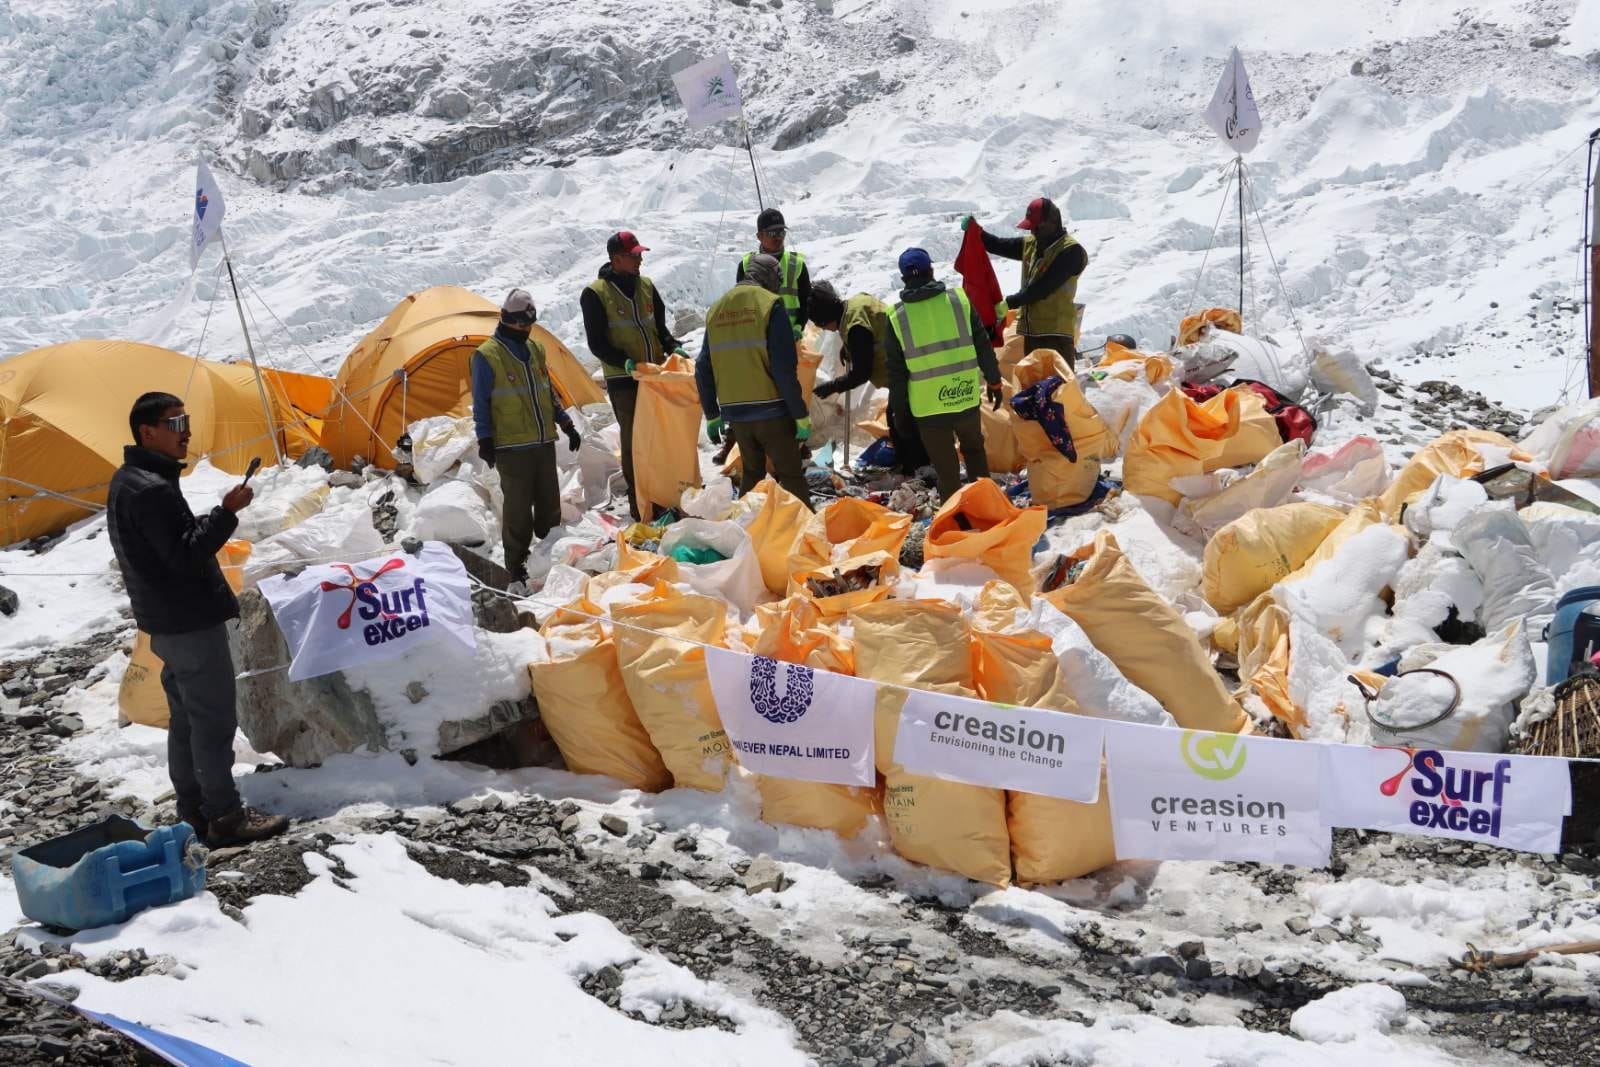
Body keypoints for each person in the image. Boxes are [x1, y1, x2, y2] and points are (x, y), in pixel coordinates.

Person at [106, 393, 289, 848]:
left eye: (185, 420)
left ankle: (194, 810)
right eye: (175, 422)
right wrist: (227, 514)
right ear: (147, 432)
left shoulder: (130, 479)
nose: (185, 430)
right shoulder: (151, 489)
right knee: (211, 722)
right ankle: (225, 816)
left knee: (187, 720)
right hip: (189, 620)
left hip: (166, 622)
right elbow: (185, 555)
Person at [471, 289, 582, 585]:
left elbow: (548, 392)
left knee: (549, 505)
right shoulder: (487, 355)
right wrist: (485, 439)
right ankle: (516, 565)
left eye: (529, 325)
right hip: (511, 447)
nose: (525, 330)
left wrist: (566, 423)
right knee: (518, 510)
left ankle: (548, 558)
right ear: (507, 319)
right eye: (521, 325)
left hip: (543, 441)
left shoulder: (535, 349)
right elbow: (480, 403)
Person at [580, 230, 686, 520]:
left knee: (661, 435)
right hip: (624, 380)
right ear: (616, 259)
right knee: (635, 439)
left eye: (640, 254)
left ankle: (664, 492)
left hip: (655, 376)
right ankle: (640, 501)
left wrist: (673, 347)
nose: (640, 259)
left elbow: (660, 330)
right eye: (634, 255)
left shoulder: (648, 287)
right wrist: (625, 363)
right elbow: (597, 343)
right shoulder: (596, 294)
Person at [883, 248, 1004, 502]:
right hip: (964, 397)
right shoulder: (958, 301)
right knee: (974, 453)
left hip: (928, 410)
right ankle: (987, 509)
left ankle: (956, 524)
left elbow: (896, 375)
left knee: (946, 470)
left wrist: (901, 415)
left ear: (904, 279)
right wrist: (994, 380)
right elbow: (983, 343)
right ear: (931, 271)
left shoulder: (896, 318)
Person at [695, 253, 814, 509]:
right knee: (791, 474)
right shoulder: (770, 304)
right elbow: (784, 368)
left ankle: (743, 531)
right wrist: (800, 413)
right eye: (778, 279)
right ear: (769, 278)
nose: (779, 285)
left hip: (736, 416)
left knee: (752, 472)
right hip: (771, 410)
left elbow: (703, 366)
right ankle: (810, 534)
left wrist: (712, 413)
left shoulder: (716, 309)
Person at [808, 281, 930, 475]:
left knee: (904, 425)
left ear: (827, 318)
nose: (826, 330)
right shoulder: (858, 302)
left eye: (822, 325)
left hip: (906, 373)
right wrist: (848, 347)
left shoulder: (855, 326)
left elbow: (861, 373)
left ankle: (919, 471)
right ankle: (913, 468)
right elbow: (872, 333)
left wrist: (832, 387)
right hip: (910, 365)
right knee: (898, 421)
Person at [964, 197, 1089, 364]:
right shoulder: (1032, 244)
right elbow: (999, 245)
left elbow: (1042, 288)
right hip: (1031, 334)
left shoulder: (1071, 252)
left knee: (1059, 387)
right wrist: (977, 232)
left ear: (1052, 223)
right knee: (1033, 386)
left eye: (1038, 227)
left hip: (1056, 336)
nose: (1033, 232)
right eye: (1031, 228)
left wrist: (1009, 302)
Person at [735, 207, 810, 340]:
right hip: (759, 340)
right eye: (772, 233)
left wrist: (798, 327)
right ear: (759, 236)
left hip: (792, 338)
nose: (778, 237)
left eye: (781, 232)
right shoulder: (745, 265)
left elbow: (806, 302)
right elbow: (742, 305)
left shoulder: (797, 264)